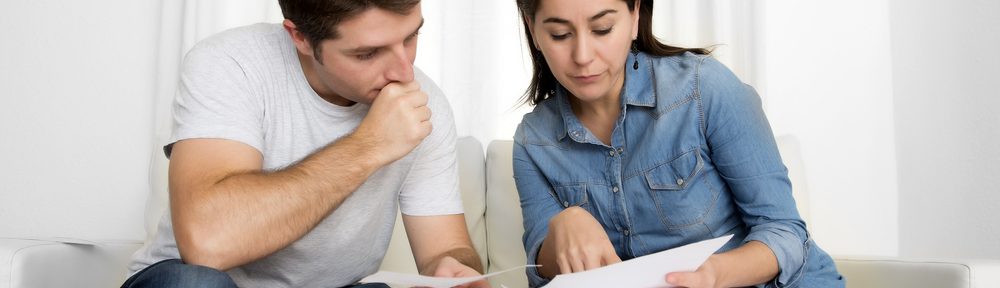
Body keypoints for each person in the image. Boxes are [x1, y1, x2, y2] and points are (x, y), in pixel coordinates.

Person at [121, 1, 488, 287]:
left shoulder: (425, 104)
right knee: (195, 284)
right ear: (300, 37)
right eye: (367, 54)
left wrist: (453, 269)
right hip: (195, 280)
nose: (404, 72)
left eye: (410, 37)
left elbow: (445, 247)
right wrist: (369, 145)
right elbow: (208, 243)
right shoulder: (230, 64)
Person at [511, 0, 845, 287]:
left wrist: (712, 274)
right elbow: (541, 274)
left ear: (635, 17)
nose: (583, 56)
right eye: (560, 34)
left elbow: (786, 232)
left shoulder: (704, 89)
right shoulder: (533, 142)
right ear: (533, 29)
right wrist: (563, 225)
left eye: (602, 29)